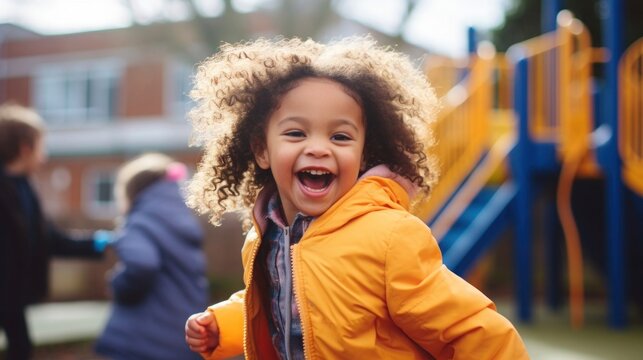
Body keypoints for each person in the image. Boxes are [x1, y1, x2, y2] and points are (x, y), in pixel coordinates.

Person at [184, 36, 529, 359]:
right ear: (262, 149)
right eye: (295, 133)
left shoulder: (389, 237)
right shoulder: (264, 236)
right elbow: (285, 300)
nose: (318, 148)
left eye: (340, 136)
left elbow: (474, 329)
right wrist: (223, 324)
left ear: (363, 154)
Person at [0, 103, 110, 360]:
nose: (44, 155)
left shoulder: (25, 188)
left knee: (21, 348)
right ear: (25, 148)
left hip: (12, 296)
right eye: (41, 146)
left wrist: (97, 243)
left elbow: (47, 239)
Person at [95, 153, 209, 360]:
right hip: (185, 338)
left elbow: (141, 265)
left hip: (143, 342)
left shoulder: (140, 221)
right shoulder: (183, 222)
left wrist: (118, 284)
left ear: (132, 191)